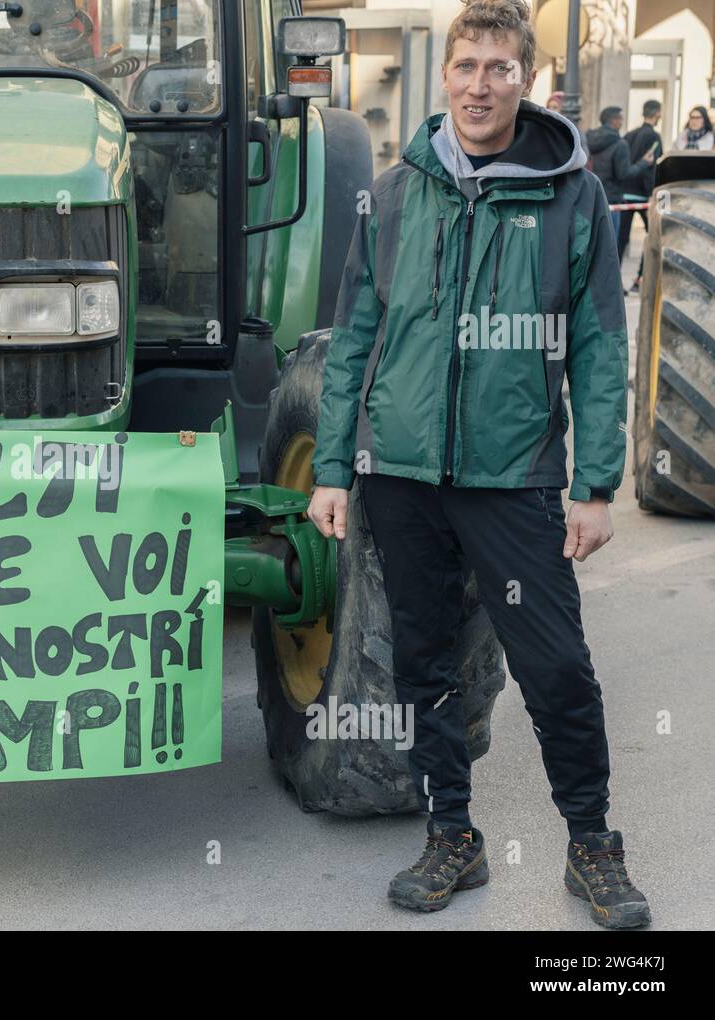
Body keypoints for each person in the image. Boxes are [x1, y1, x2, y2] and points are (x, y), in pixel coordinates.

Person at [308, 0, 649, 929]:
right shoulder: (394, 190)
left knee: (557, 669)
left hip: (514, 477)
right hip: (403, 476)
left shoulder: (570, 194)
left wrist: (595, 485)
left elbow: (597, 345)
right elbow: (355, 340)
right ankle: (451, 835)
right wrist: (334, 467)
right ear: (444, 76)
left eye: (500, 68)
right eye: (466, 67)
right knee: (422, 663)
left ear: (526, 81)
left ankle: (592, 848)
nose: (480, 85)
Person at [585, 106, 654, 239]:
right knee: (609, 243)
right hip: (611, 199)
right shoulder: (620, 144)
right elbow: (624, 174)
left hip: (591, 197)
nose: (622, 123)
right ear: (615, 121)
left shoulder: (588, 139)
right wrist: (644, 162)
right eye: (621, 119)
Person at [620, 100, 662, 291]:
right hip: (643, 197)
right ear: (657, 114)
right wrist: (651, 193)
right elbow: (652, 168)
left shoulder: (629, 135)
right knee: (654, 237)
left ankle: (615, 283)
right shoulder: (654, 137)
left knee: (620, 240)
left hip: (625, 195)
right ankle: (640, 279)